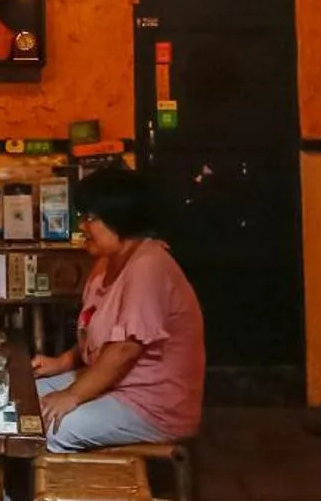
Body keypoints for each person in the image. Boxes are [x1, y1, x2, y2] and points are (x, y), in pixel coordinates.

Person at [31, 167, 205, 453]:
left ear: (120, 220)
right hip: (112, 385)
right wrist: (62, 362)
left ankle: (58, 495)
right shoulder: (105, 264)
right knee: (20, 404)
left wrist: (72, 395)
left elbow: (124, 348)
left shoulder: (149, 265)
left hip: (150, 404)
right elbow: (99, 332)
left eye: (91, 219)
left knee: (48, 429)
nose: (82, 227)